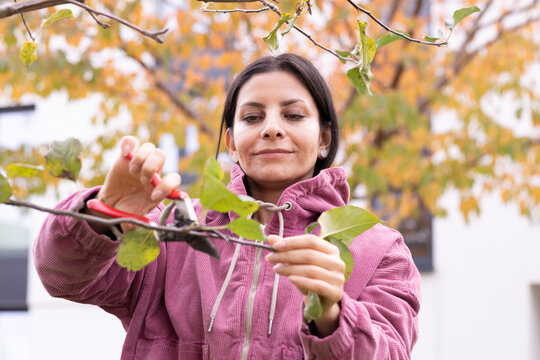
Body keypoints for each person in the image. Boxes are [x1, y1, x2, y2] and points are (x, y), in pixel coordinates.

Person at [34, 53, 421, 359]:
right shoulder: (174, 229)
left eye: (293, 114)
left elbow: (391, 353)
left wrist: (333, 314)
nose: (272, 127)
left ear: (323, 138)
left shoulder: (380, 250)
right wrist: (105, 216)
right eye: (253, 116)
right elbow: (62, 277)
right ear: (232, 142)